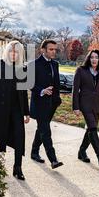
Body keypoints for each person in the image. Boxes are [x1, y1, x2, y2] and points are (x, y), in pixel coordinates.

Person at [0, 41, 30, 180]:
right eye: (11, 51)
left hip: (17, 109)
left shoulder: (22, 69)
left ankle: (18, 168)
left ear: (20, 54)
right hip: (0, 107)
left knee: (19, 137)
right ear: (7, 52)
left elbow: (24, 93)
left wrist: (26, 112)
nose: (13, 54)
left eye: (16, 52)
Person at [29, 39, 64, 169]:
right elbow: (29, 84)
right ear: (42, 50)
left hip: (52, 103)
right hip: (39, 103)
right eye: (51, 49)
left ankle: (34, 151)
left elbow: (57, 83)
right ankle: (53, 159)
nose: (53, 51)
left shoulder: (55, 64)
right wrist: (42, 91)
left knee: (42, 129)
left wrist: (57, 98)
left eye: (55, 49)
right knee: (45, 130)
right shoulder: (34, 64)